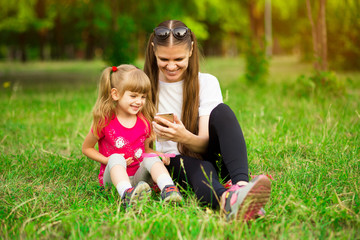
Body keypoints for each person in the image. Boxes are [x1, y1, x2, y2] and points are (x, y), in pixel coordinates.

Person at [144, 20, 271, 221]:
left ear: (191, 49)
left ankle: (240, 186)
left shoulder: (206, 82)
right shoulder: (142, 86)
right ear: (153, 50)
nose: (171, 66)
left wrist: (183, 136)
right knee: (201, 169)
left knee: (223, 112)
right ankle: (229, 201)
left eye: (178, 58)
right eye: (163, 59)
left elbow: (204, 144)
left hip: (203, 152)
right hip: (170, 162)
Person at [82, 64, 183, 209]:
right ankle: (126, 195)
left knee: (152, 159)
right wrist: (108, 160)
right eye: (133, 96)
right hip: (113, 180)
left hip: (138, 178)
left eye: (143, 96)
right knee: (116, 157)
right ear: (115, 94)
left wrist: (158, 154)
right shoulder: (105, 121)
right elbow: (86, 148)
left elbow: (145, 151)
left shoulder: (144, 122)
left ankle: (169, 189)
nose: (139, 101)